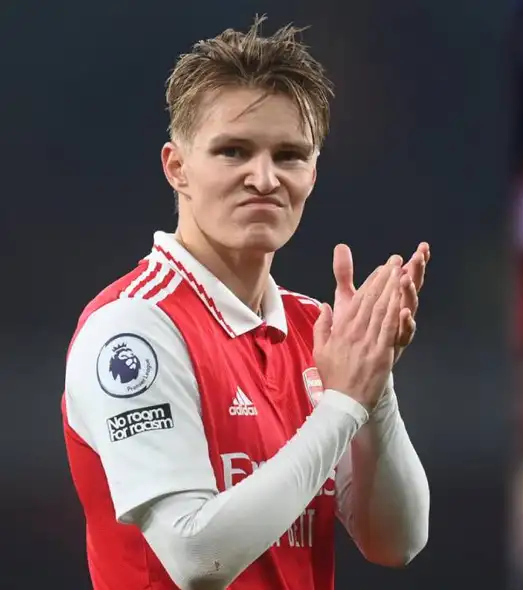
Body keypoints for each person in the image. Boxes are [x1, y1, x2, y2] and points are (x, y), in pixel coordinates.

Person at [61, 18, 430, 590]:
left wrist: (373, 385)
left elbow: (398, 541)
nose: (264, 177)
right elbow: (195, 556)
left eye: (289, 155)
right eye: (234, 151)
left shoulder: (318, 330)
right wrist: (341, 406)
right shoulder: (134, 329)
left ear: (312, 172)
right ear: (176, 167)